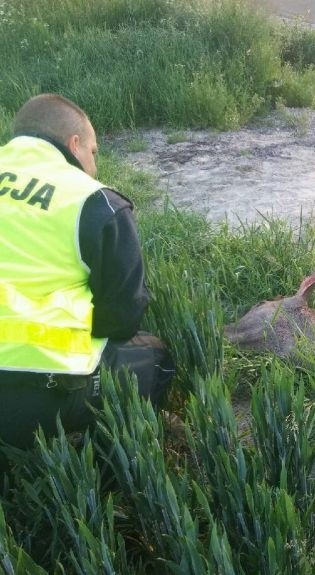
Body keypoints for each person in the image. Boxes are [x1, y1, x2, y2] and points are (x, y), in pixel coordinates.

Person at [0, 93, 174, 452]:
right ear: (74, 143)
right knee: (156, 357)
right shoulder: (94, 201)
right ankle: (108, 478)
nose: (94, 165)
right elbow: (123, 317)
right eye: (94, 152)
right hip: (42, 395)